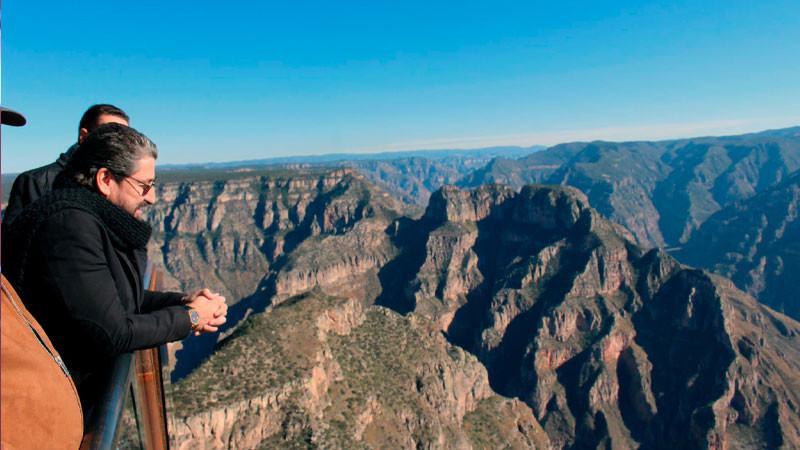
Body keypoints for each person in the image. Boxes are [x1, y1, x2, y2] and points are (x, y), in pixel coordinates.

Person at [2, 122, 227, 415]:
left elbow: (117, 296)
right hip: (51, 405)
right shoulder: (68, 226)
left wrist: (183, 301)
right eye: (144, 186)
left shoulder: (92, 219)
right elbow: (111, 332)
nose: (152, 197)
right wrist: (192, 317)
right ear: (106, 179)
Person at [2, 104, 130, 233]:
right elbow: (13, 242)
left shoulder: (119, 185)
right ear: (83, 136)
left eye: (124, 139)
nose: (118, 144)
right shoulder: (36, 182)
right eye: (109, 135)